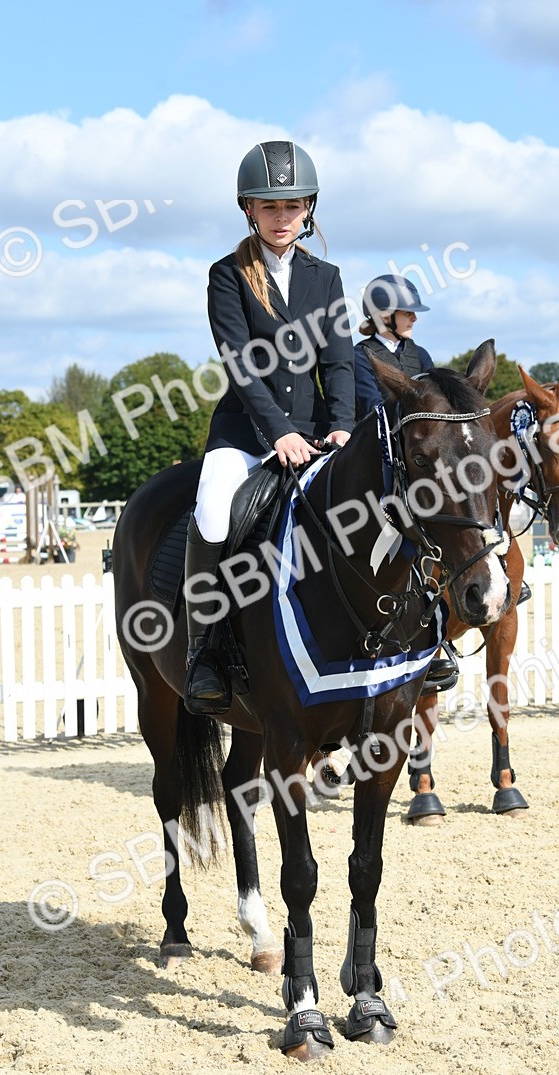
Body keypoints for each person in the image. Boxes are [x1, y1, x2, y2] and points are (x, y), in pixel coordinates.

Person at [184, 139, 355, 712]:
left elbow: (337, 360)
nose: (281, 218)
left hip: (314, 435)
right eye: (269, 206)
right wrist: (277, 431)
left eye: (292, 206)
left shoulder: (325, 277)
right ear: (248, 209)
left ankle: (409, 636)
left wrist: (343, 426)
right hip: (244, 433)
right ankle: (204, 649)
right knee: (212, 510)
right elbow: (239, 361)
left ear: (308, 208)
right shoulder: (227, 275)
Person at [353, 274, 434, 419]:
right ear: (385, 316)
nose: (414, 318)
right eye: (408, 313)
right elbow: (371, 406)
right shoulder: (360, 356)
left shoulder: (420, 354)